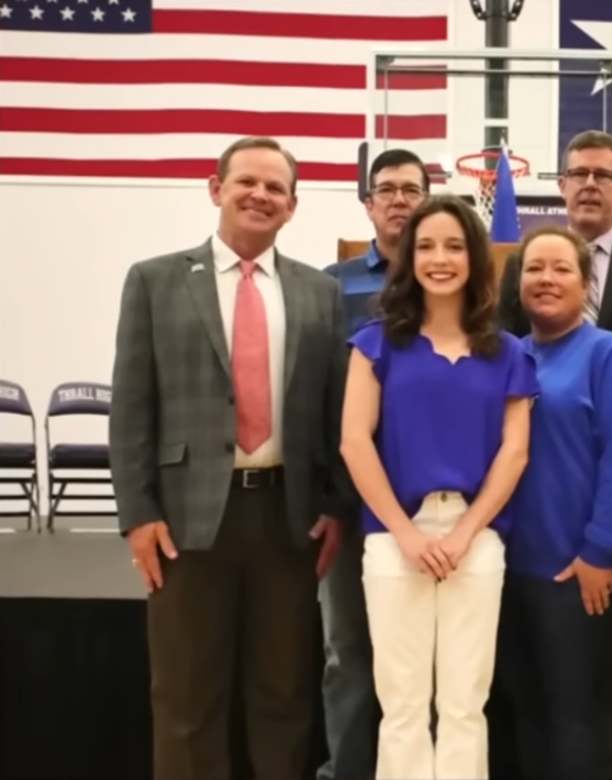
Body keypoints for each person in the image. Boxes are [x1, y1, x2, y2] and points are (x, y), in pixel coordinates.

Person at [109, 136, 352, 780]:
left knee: (284, 696)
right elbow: (132, 406)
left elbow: (334, 414)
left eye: (276, 188)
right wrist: (137, 514)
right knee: (188, 697)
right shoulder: (154, 280)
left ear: (293, 207)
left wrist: (333, 508)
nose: (260, 195)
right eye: (247, 181)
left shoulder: (318, 294)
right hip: (185, 523)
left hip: (288, 517)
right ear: (215, 189)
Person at [339, 194, 538, 780]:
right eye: (426, 246)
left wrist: (467, 532)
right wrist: (403, 533)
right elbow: (355, 442)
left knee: (463, 706)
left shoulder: (507, 353)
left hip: (474, 541)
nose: (440, 258)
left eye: (454, 246)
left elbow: (515, 451)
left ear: (474, 257)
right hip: (393, 537)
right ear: (409, 257)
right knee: (400, 706)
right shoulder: (374, 344)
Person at [498, 127, 612, 780]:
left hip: (580, 576)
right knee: (528, 713)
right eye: (535, 268)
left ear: (582, 278)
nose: (546, 278)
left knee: (576, 719)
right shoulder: (509, 356)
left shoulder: (610, 353)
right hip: (511, 571)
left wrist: (604, 551)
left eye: (561, 268)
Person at [317, 147, 429, 780]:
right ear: (367, 203)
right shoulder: (329, 286)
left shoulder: (459, 283)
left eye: (410, 189)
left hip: (430, 506)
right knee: (349, 655)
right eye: (384, 189)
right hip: (348, 502)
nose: (397, 200)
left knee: (425, 661)